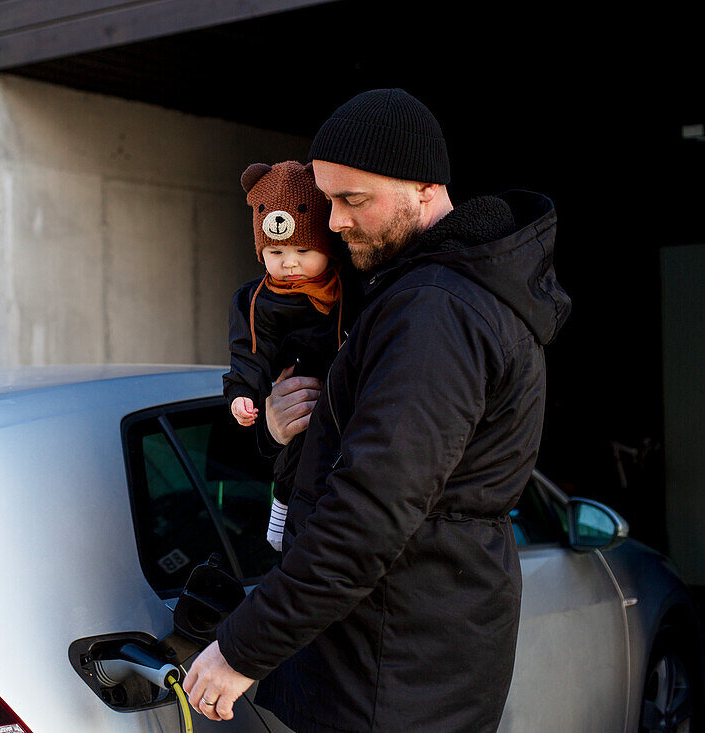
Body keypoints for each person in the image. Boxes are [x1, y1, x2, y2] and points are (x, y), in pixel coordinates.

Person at [183, 88, 572, 732]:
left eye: (351, 200)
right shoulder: (410, 292)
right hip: (396, 654)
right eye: (326, 198)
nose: (332, 222)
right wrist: (279, 429)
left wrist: (242, 648)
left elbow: (369, 510)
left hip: (394, 670)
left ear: (423, 188)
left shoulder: (436, 313)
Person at [223, 160, 347, 552]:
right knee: (296, 449)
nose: (289, 263)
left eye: (303, 249)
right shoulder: (258, 300)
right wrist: (242, 393)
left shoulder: (351, 286)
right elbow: (250, 352)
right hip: (298, 389)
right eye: (275, 251)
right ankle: (280, 515)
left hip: (340, 394)